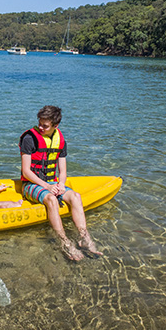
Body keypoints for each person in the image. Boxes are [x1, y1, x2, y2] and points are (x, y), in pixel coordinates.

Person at [19, 105, 103, 261]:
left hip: (52, 182)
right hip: (30, 184)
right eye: (40, 123)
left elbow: (62, 171)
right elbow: (26, 172)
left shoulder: (61, 140)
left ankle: (84, 238)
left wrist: (61, 185)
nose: (41, 128)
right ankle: (65, 242)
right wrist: (48, 187)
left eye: (45, 126)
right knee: (51, 200)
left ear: (55, 126)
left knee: (75, 197)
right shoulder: (29, 138)